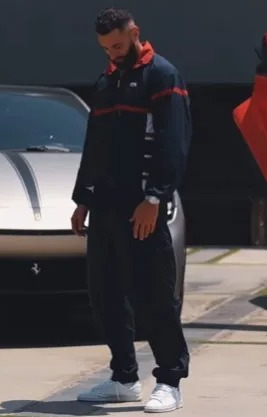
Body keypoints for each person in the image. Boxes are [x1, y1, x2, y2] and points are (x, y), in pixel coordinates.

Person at [70, 7, 192, 413]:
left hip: (143, 204)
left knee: (154, 294)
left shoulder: (162, 76)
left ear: (135, 32)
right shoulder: (106, 81)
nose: (113, 52)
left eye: (119, 44)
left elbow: (173, 143)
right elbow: (96, 144)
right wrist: (83, 199)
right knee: (105, 293)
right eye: (106, 47)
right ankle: (123, 378)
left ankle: (170, 380)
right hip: (105, 204)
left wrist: (155, 198)